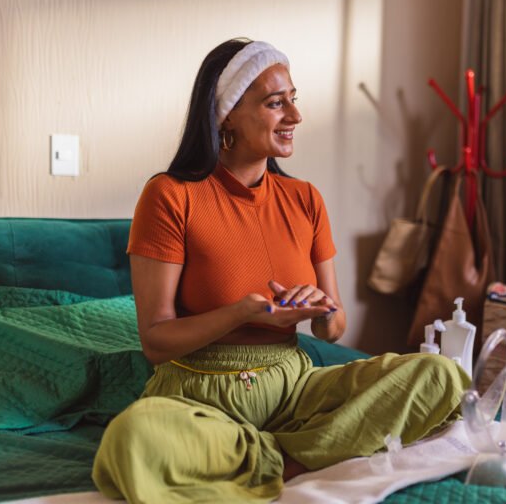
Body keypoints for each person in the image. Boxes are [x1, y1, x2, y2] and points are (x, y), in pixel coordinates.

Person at [92, 38, 469, 504]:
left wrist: (320, 308)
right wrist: (240, 314)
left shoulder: (305, 199)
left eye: (294, 98)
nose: (294, 116)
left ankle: (267, 459)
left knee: (439, 374)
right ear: (227, 114)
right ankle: (300, 457)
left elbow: (333, 330)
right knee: (134, 438)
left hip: (296, 386)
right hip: (200, 395)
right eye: (275, 103)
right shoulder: (171, 196)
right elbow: (154, 341)